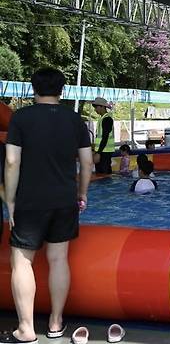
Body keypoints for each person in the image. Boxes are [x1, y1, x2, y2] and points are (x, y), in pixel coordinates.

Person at [2, 67, 93, 343]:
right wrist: (82, 193)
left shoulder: (21, 118)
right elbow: (87, 162)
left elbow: (11, 162)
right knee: (58, 260)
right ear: (62, 91)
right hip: (64, 200)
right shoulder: (75, 120)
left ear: (33, 89)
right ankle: (55, 323)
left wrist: (11, 200)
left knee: (21, 262)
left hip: (30, 200)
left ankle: (26, 329)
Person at [91, 96, 114, 174]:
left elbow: (105, 137)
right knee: (101, 174)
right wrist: (95, 150)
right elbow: (100, 138)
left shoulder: (107, 119)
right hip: (102, 151)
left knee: (104, 174)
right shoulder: (102, 118)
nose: (95, 109)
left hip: (105, 152)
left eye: (96, 107)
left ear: (102, 107)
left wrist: (98, 153)